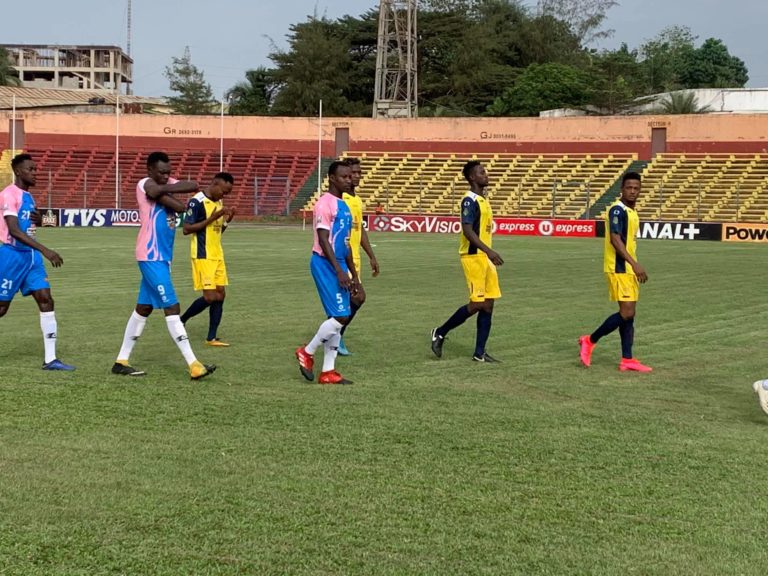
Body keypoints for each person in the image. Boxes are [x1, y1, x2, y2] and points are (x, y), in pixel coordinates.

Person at [112, 151, 215, 379]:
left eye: (168, 172)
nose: (166, 176)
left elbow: (190, 189)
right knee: (172, 307)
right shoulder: (144, 183)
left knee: (144, 308)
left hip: (162, 257)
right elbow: (158, 193)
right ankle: (194, 364)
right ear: (149, 170)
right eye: (161, 173)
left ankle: (121, 361)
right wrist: (169, 191)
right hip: (150, 255)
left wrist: (166, 190)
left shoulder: (164, 185)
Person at [0, 153, 75, 371]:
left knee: (46, 299)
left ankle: (50, 359)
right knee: (2, 308)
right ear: (18, 171)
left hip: (31, 258)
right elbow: (14, 230)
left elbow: (28, 225)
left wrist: (40, 221)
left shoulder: (28, 196)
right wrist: (45, 250)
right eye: (30, 169)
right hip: (12, 256)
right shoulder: (8, 194)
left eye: (35, 169)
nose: (35, 173)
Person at [578, 171, 652, 372]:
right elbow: (615, 239)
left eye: (636, 188)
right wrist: (634, 264)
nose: (632, 191)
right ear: (621, 189)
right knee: (627, 312)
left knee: (629, 315)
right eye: (629, 187)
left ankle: (627, 359)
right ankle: (589, 340)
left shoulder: (632, 212)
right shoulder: (617, 210)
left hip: (628, 269)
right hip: (619, 268)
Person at [430, 160, 503, 362]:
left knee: (488, 305)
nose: (486, 175)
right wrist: (489, 251)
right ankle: (440, 332)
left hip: (485, 258)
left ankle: (480, 353)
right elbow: (468, 231)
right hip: (473, 257)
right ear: (472, 177)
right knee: (477, 303)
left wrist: (488, 253)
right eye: (481, 172)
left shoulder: (483, 199)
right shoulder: (469, 200)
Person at [295, 161, 358, 385]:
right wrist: (339, 271)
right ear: (332, 178)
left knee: (338, 317)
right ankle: (307, 352)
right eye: (344, 177)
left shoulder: (344, 205)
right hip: (324, 263)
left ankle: (328, 371)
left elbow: (346, 244)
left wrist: (354, 276)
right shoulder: (324, 204)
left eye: (350, 176)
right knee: (341, 316)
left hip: (338, 264)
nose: (349, 180)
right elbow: (323, 239)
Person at [179, 172, 235, 346]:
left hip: (217, 254)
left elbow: (217, 232)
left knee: (221, 294)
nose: (224, 196)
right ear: (215, 183)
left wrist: (227, 221)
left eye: (227, 193)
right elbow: (186, 229)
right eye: (223, 191)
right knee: (210, 297)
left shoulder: (218, 202)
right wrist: (213, 218)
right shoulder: (197, 201)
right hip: (202, 254)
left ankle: (211, 337)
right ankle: (181, 320)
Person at [337, 157, 380, 356]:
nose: (356, 176)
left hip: (355, 259)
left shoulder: (356, 199)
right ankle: (334, 335)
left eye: (358, 173)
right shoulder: (341, 198)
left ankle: (335, 335)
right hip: (343, 259)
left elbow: (360, 229)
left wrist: (371, 256)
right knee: (356, 297)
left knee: (352, 300)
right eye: (352, 173)